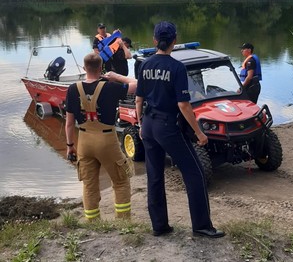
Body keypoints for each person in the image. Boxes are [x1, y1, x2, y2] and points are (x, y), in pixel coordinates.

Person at [135, 21, 225, 238]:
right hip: (167, 126)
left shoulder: (145, 65)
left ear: (155, 41)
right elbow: (183, 105)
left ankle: (159, 226)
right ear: (174, 41)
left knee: (155, 175)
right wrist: (200, 133)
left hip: (148, 124)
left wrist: (140, 124)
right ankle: (202, 226)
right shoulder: (177, 68)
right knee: (194, 172)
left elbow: (138, 99)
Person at [65, 52, 137, 221]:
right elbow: (136, 84)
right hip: (106, 141)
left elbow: (69, 124)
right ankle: (123, 221)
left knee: (89, 185)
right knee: (120, 181)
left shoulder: (72, 89)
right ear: (100, 69)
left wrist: (70, 147)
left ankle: (92, 222)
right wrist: (116, 76)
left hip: (84, 141)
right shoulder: (110, 87)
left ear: (84, 68)